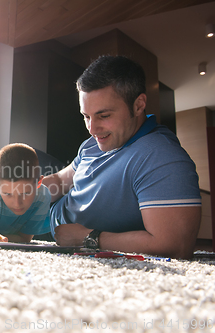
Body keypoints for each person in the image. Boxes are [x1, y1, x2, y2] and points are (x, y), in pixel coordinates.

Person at [43, 55, 201, 259]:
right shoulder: (94, 143)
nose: (92, 129)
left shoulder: (161, 157)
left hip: (53, 236)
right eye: (86, 116)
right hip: (41, 215)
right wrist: (26, 195)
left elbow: (175, 245)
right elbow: (61, 181)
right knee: (1, 190)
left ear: (138, 105)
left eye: (104, 116)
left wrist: (88, 238)